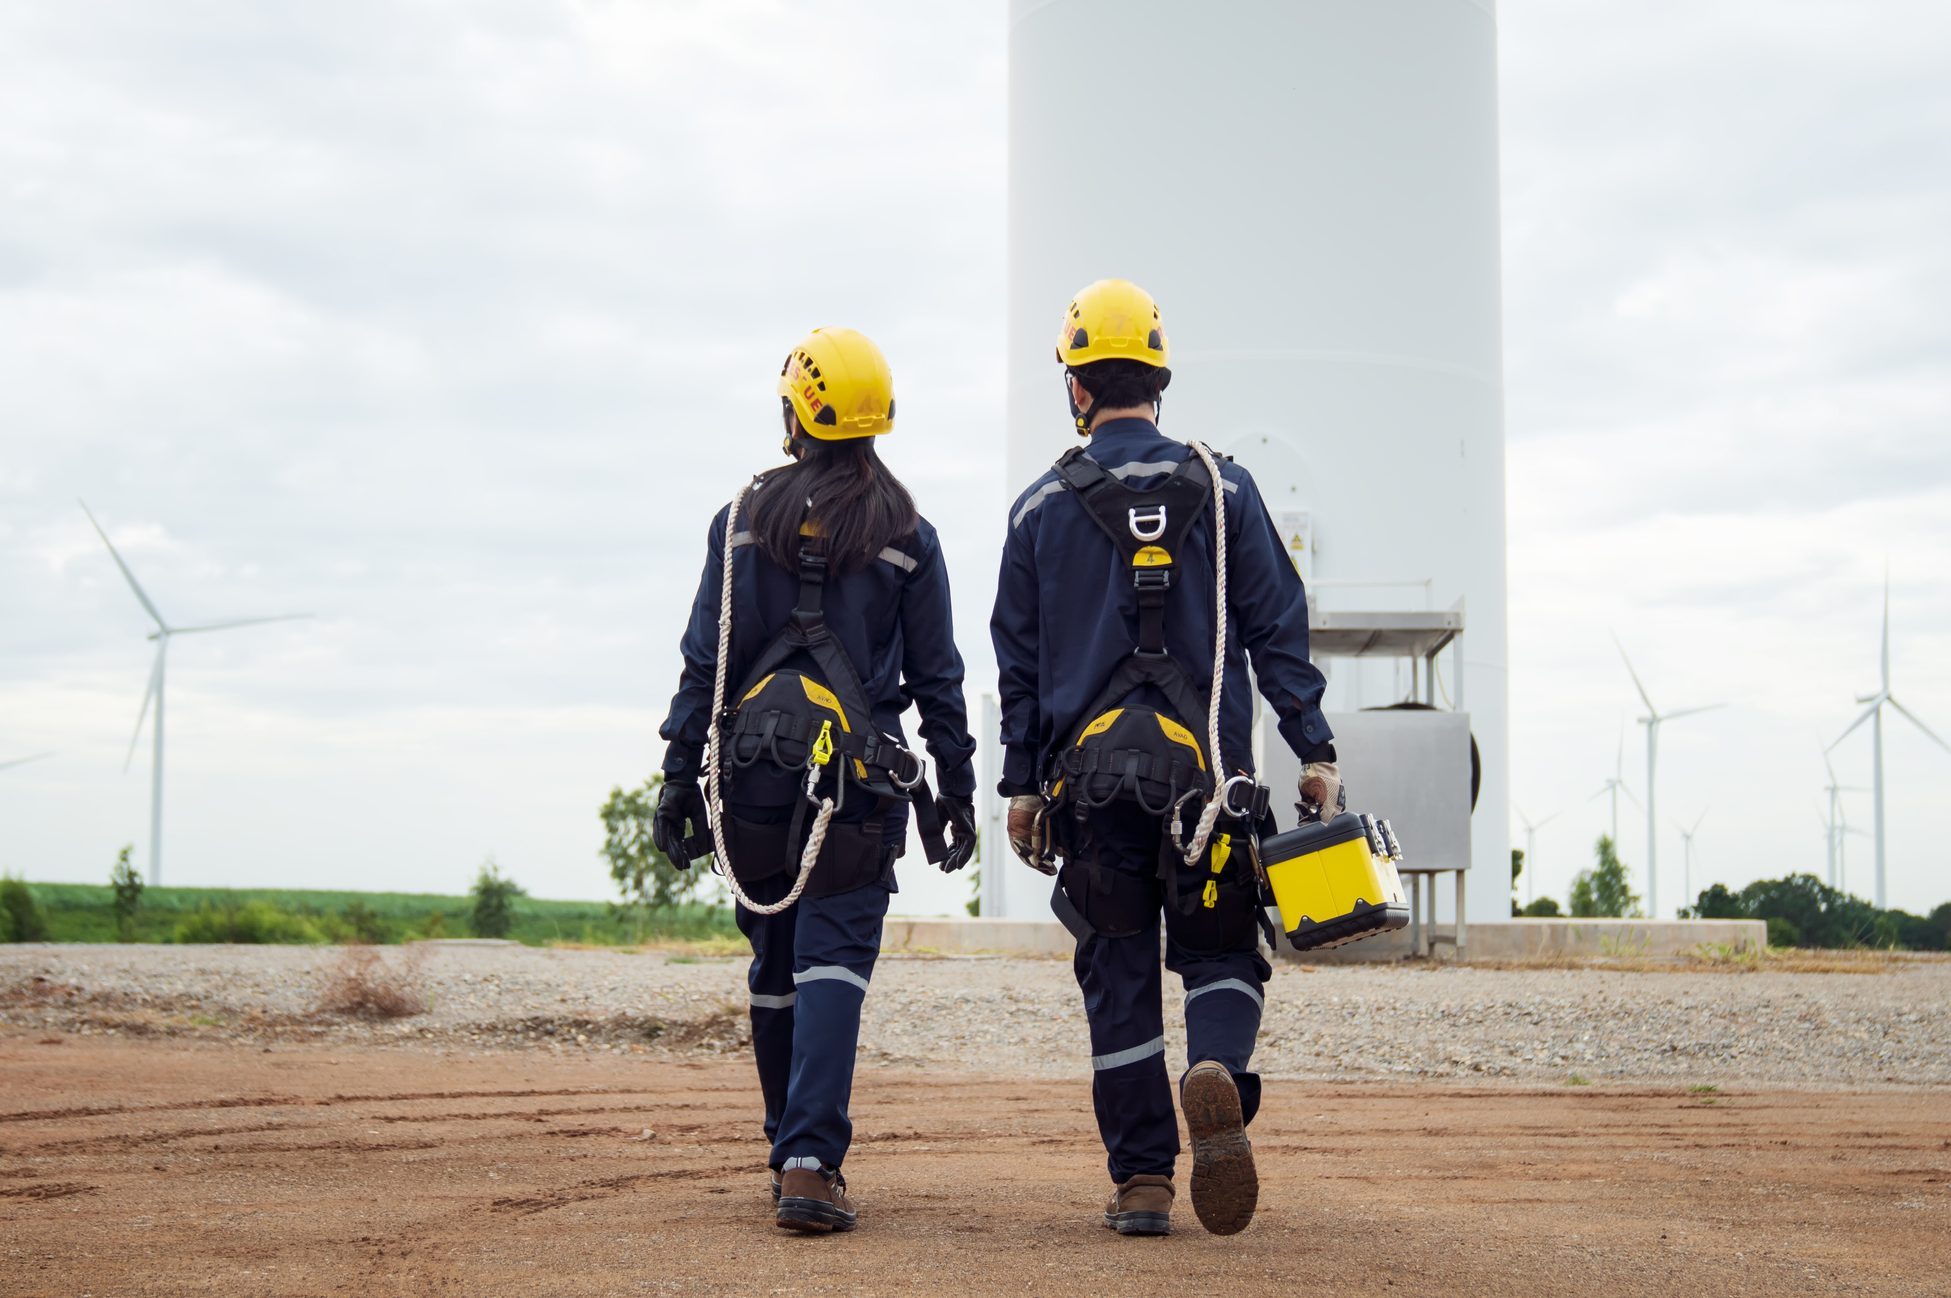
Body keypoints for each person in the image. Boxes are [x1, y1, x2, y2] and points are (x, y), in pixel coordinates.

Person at [990, 279, 1342, 1237]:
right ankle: (1214, 1066)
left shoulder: (1036, 512)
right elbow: (1279, 625)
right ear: (1159, 379)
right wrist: (1312, 748)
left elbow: (1015, 666)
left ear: (1076, 389)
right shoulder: (1227, 489)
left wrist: (1021, 790)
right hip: (1208, 781)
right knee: (1222, 948)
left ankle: (1143, 1184)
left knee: (1117, 971)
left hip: (1091, 786)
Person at [653, 327, 979, 1234]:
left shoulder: (740, 523)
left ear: (796, 410)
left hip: (754, 784)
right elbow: (939, 679)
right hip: (857, 791)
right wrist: (954, 792)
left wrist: (678, 781)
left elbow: (702, 668)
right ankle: (808, 1161)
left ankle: (785, 1148)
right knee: (832, 957)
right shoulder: (908, 534)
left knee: (772, 962)